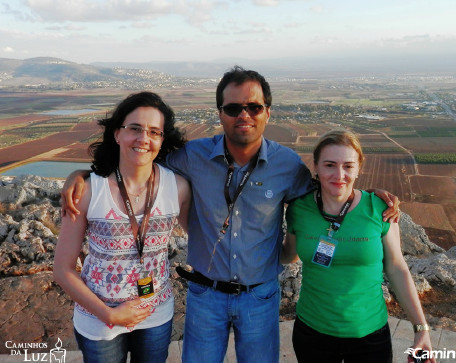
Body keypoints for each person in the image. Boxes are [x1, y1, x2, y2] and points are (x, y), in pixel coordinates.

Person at [61, 66, 400, 363]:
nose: (244, 115)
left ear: (267, 112)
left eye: (254, 107)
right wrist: (80, 177)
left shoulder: (287, 166)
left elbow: (327, 189)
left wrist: (370, 197)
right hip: (205, 296)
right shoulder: (191, 156)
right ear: (220, 113)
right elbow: (137, 161)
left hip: (261, 296)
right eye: (234, 107)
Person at [53, 91, 191, 363]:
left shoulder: (178, 187)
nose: (143, 139)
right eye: (135, 129)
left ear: (162, 140)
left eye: (154, 132)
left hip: (156, 313)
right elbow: (62, 269)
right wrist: (109, 314)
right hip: (99, 319)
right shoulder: (89, 190)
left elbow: (201, 236)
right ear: (117, 133)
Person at [282, 130, 434, 363]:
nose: (339, 175)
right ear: (316, 167)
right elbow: (288, 256)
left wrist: (421, 328)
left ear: (359, 168)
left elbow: (397, 269)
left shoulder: (380, 209)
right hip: (312, 333)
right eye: (330, 165)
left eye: (348, 166)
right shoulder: (299, 210)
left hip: (370, 336)